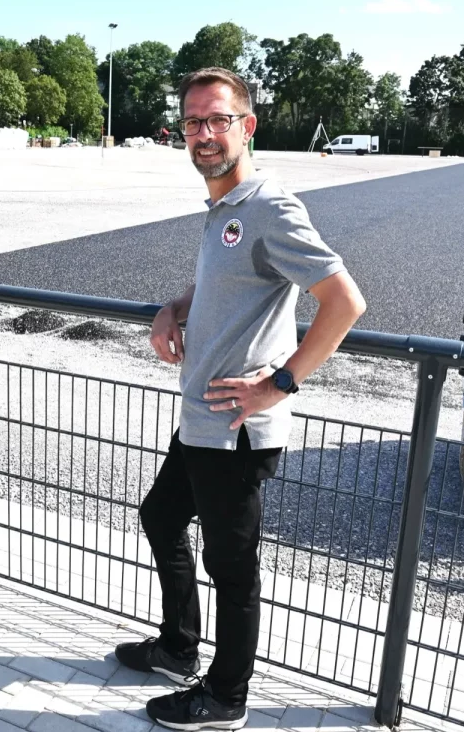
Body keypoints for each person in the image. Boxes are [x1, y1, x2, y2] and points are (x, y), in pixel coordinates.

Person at [114, 67, 366, 730]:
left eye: (217, 119)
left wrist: (277, 384)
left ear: (246, 126)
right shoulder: (221, 207)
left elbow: (344, 303)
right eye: (194, 121)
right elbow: (224, 288)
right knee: (162, 519)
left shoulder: (269, 206)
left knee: (233, 565)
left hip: (237, 429)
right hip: (202, 419)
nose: (204, 133)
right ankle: (177, 647)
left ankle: (226, 697)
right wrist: (173, 307)